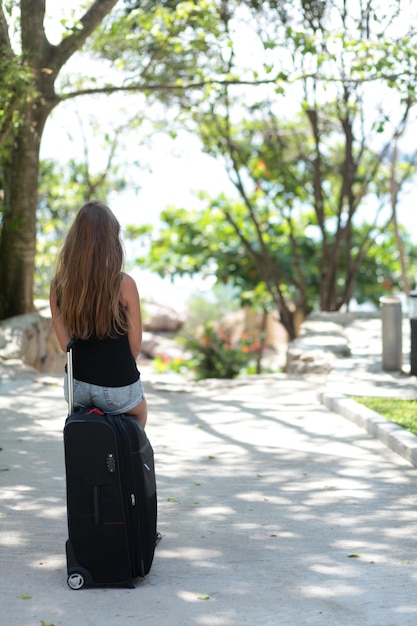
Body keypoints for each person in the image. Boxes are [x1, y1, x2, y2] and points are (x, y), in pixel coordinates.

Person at [50, 199, 147, 428]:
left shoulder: (58, 285)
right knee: (139, 415)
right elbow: (135, 347)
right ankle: (124, 463)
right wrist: (113, 379)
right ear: (111, 240)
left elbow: (67, 345)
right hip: (117, 384)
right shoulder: (124, 284)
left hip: (76, 386)